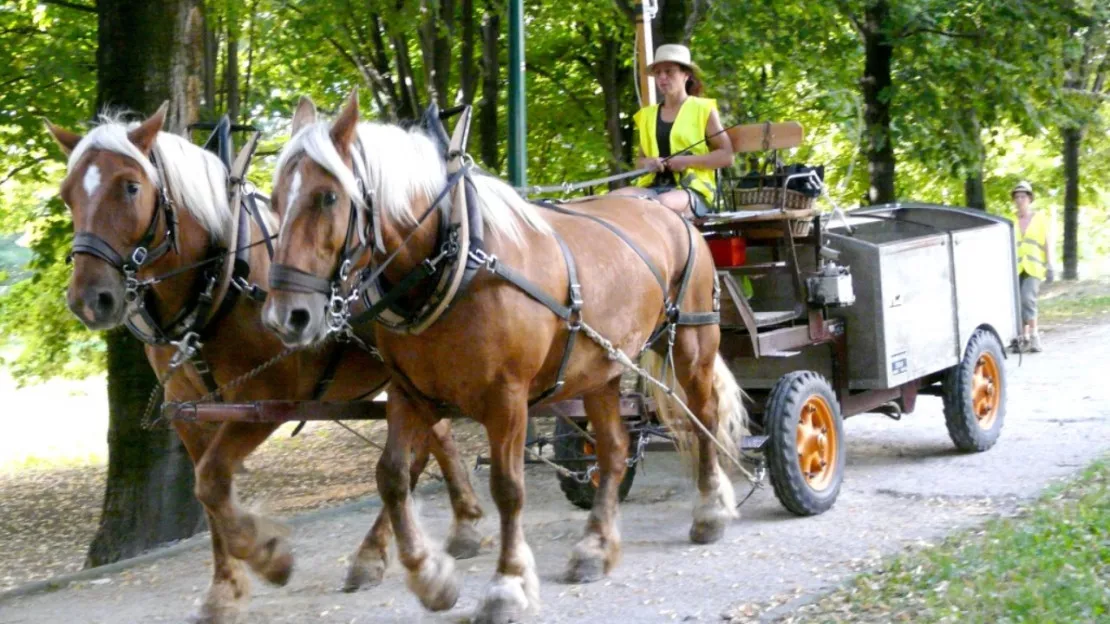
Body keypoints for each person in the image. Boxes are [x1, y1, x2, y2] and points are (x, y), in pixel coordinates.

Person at [612, 43, 733, 219]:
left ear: (686, 74)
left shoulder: (702, 108)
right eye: (658, 73)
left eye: (669, 71)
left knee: (658, 207)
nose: (662, 78)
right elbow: (639, 161)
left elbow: (727, 156)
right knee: (610, 202)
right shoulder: (647, 115)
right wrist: (649, 163)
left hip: (693, 190)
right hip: (651, 189)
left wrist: (686, 161)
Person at [1009, 180, 1055, 353]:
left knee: (1027, 298)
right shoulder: (1011, 220)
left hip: (1034, 267)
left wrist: (1050, 264)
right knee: (1016, 303)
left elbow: (1047, 242)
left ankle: (1035, 336)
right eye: (1017, 197)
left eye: (1023, 196)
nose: (1020, 200)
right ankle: (1022, 338)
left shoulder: (1040, 219)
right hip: (1015, 267)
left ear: (1029, 199)